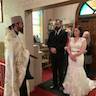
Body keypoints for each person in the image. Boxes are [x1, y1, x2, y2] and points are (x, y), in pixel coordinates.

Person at [4, 16, 33, 96]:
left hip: (21, 71)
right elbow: (12, 57)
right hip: (17, 72)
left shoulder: (16, 36)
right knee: (19, 90)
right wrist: (26, 53)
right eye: (21, 24)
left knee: (23, 90)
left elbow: (20, 52)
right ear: (16, 24)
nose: (23, 25)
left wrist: (25, 53)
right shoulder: (11, 39)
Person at [63, 28, 96, 96]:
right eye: (74, 31)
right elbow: (68, 48)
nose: (75, 32)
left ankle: (79, 88)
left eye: (76, 31)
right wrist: (70, 55)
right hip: (71, 56)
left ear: (80, 32)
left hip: (79, 57)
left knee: (78, 70)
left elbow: (82, 50)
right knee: (71, 69)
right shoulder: (71, 39)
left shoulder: (83, 40)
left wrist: (74, 55)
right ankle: (70, 88)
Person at [47, 19, 68, 91]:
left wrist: (56, 49)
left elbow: (64, 43)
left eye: (57, 24)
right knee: (54, 71)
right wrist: (51, 48)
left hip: (60, 56)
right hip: (53, 56)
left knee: (61, 71)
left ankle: (61, 85)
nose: (56, 25)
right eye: (55, 24)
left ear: (61, 25)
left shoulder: (64, 33)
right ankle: (55, 84)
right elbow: (48, 42)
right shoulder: (51, 33)